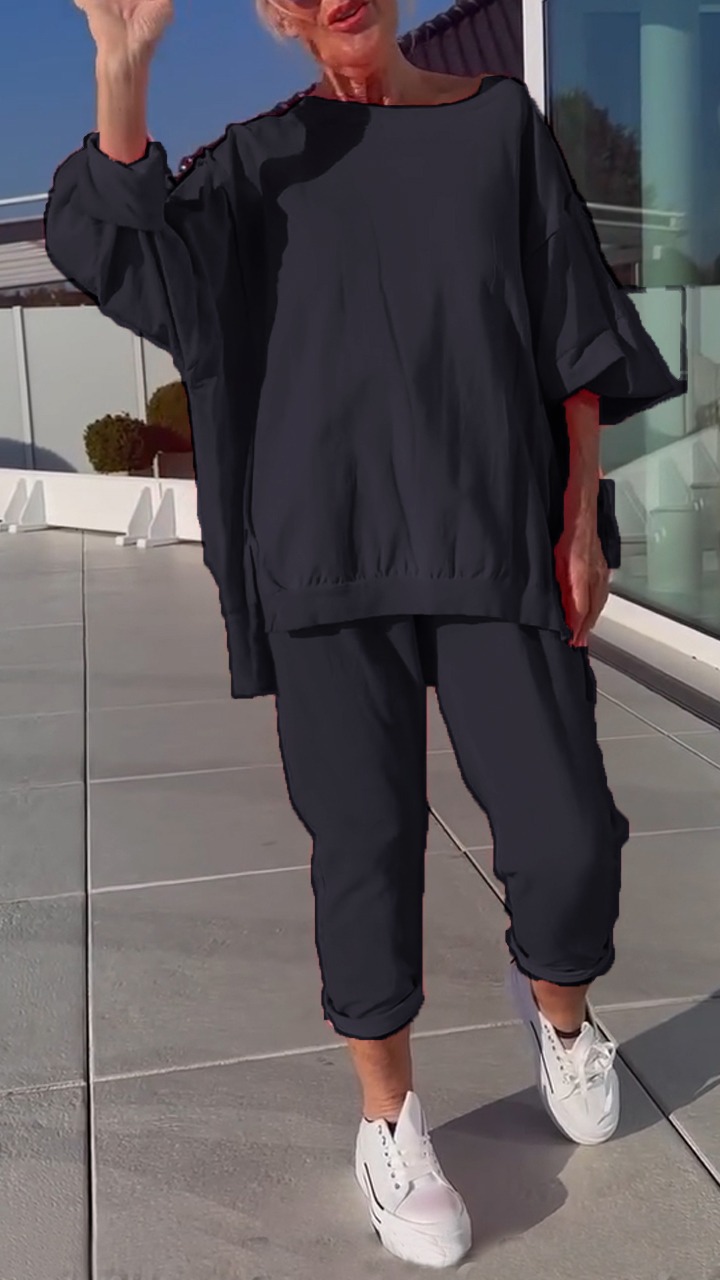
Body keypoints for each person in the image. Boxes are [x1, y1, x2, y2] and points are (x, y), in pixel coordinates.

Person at [45, 0, 685, 1268]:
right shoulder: (258, 162)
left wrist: (580, 518)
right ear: (281, 14)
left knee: (567, 833)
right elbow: (123, 249)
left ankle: (560, 1012)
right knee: (365, 846)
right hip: (321, 552)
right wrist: (125, 69)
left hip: (491, 535)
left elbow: (570, 328)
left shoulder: (498, 127)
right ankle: (389, 1121)